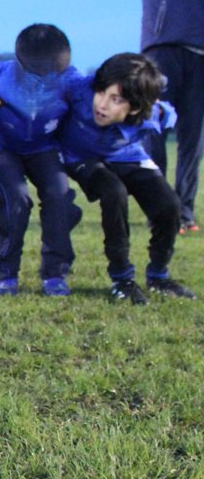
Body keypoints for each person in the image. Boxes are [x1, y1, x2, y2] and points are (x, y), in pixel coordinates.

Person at [58, 52, 196, 304]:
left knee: (170, 206)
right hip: (80, 157)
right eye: (101, 93)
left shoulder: (151, 113)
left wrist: (162, 108)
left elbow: (167, 112)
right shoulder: (78, 88)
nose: (102, 104)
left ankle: (158, 276)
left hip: (126, 155)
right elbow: (55, 76)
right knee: (113, 192)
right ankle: (122, 279)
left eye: (115, 100)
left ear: (134, 107)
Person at [0, 24, 82, 297]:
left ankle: (55, 273)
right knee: (15, 197)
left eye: (55, 72)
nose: (47, 79)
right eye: (39, 73)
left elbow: (98, 99)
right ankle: (5, 274)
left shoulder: (71, 80)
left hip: (43, 147)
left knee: (58, 196)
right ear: (21, 62)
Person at [112, 0, 204, 233]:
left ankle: (184, 212)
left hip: (201, 56)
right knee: (153, 130)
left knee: (194, 138)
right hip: (162, 51)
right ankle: (160, 208)